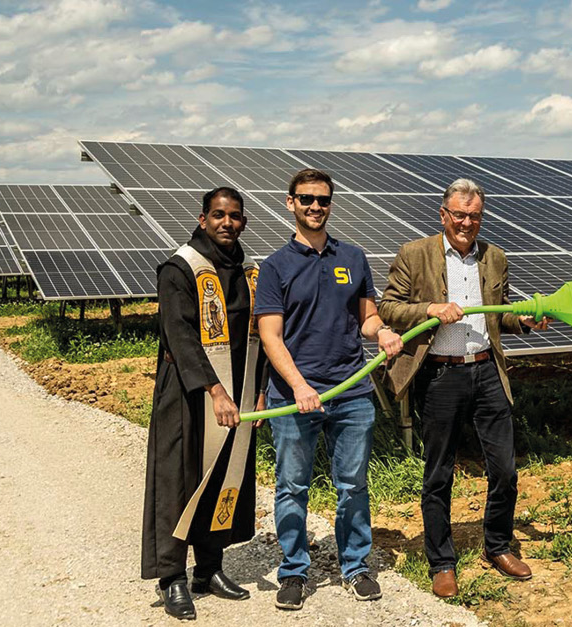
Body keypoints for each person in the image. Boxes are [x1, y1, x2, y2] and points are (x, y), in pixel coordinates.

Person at [379, 178, 548, 598]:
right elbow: (388, 307)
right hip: (440, 376)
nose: (466, 223)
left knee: (505, 469)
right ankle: (442, 562)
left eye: (474, 216)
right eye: (459, 215)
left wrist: (523, 320)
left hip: (487, 370)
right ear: (444, 215)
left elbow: (500, 314)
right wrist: (431, 309)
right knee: (439, 473)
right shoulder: (414, 254)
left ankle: (497, 545)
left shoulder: (495, 257)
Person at [255, 168, 403, 611]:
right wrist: (299, 386)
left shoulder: (353, 257)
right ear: (290, 203)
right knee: (292, 486)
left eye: (322, 200)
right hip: (294, 396)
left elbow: (368, 317)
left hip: (352, 392)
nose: (315, 207)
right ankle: (294, 572)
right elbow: (270, 335)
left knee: (353, 484)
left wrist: (383, 333)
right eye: (306, 199)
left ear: (330, 204)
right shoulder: (274, 267)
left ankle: (355, 566)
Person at [142, 187, 264, 620]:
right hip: (190, 393)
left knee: (224, 477)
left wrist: (259, 387)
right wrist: (214, 390)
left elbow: (260, 335)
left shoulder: (249, 271)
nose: (226, 223)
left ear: (244, 222)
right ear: (202, 219)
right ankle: (172, 576)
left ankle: (209, 568)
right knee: (181, 479)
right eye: (218, 215)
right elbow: (180, 336)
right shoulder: (180, 268)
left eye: (234, 216)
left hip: (238, 391)